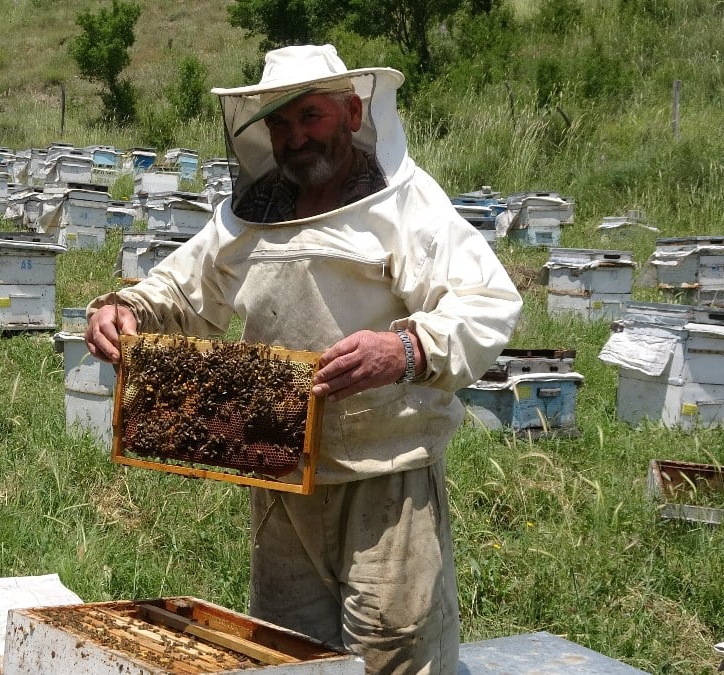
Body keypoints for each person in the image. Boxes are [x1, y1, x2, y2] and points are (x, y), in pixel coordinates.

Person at [84, 44, 522, 675]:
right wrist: (127, 308)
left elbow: (484, 302)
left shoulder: (404, 202)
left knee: (392, 648)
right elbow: (183, 288)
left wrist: (403, 348)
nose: (295, 138)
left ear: (350, 112)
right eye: (281, 125)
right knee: (290, 652)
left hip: (384, 470)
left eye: (310, 118)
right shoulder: (251, 213)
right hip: (280, 469)